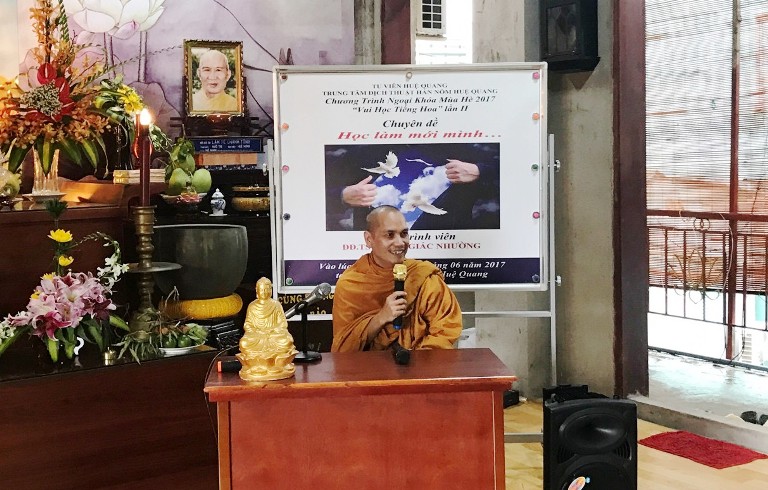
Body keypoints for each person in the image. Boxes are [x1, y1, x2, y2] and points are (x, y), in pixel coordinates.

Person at [331, 206, 462, 352]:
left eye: (404, 234)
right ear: (369, 239)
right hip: (368, 365)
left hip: (421, 362)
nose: (400, 243)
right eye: (390, 235)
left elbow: (446, 328)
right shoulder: (350, 284)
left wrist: (417, 360)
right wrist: (380, 318)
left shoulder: (422, 276)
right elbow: (343, 347)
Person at [237, 277, 298, 381]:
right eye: (261, 290)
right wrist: (257, 331)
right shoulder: (252, 306)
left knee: (287, 341)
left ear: (271, 290)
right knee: (244, 343)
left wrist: (274, 330)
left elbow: (283, 323)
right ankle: (267, 364)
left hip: (273, 335)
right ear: (257, 291)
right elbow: (248, 324)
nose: (264, 292)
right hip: (258, 336)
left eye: (266, 289)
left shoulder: (276, 305)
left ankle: (273, 364)